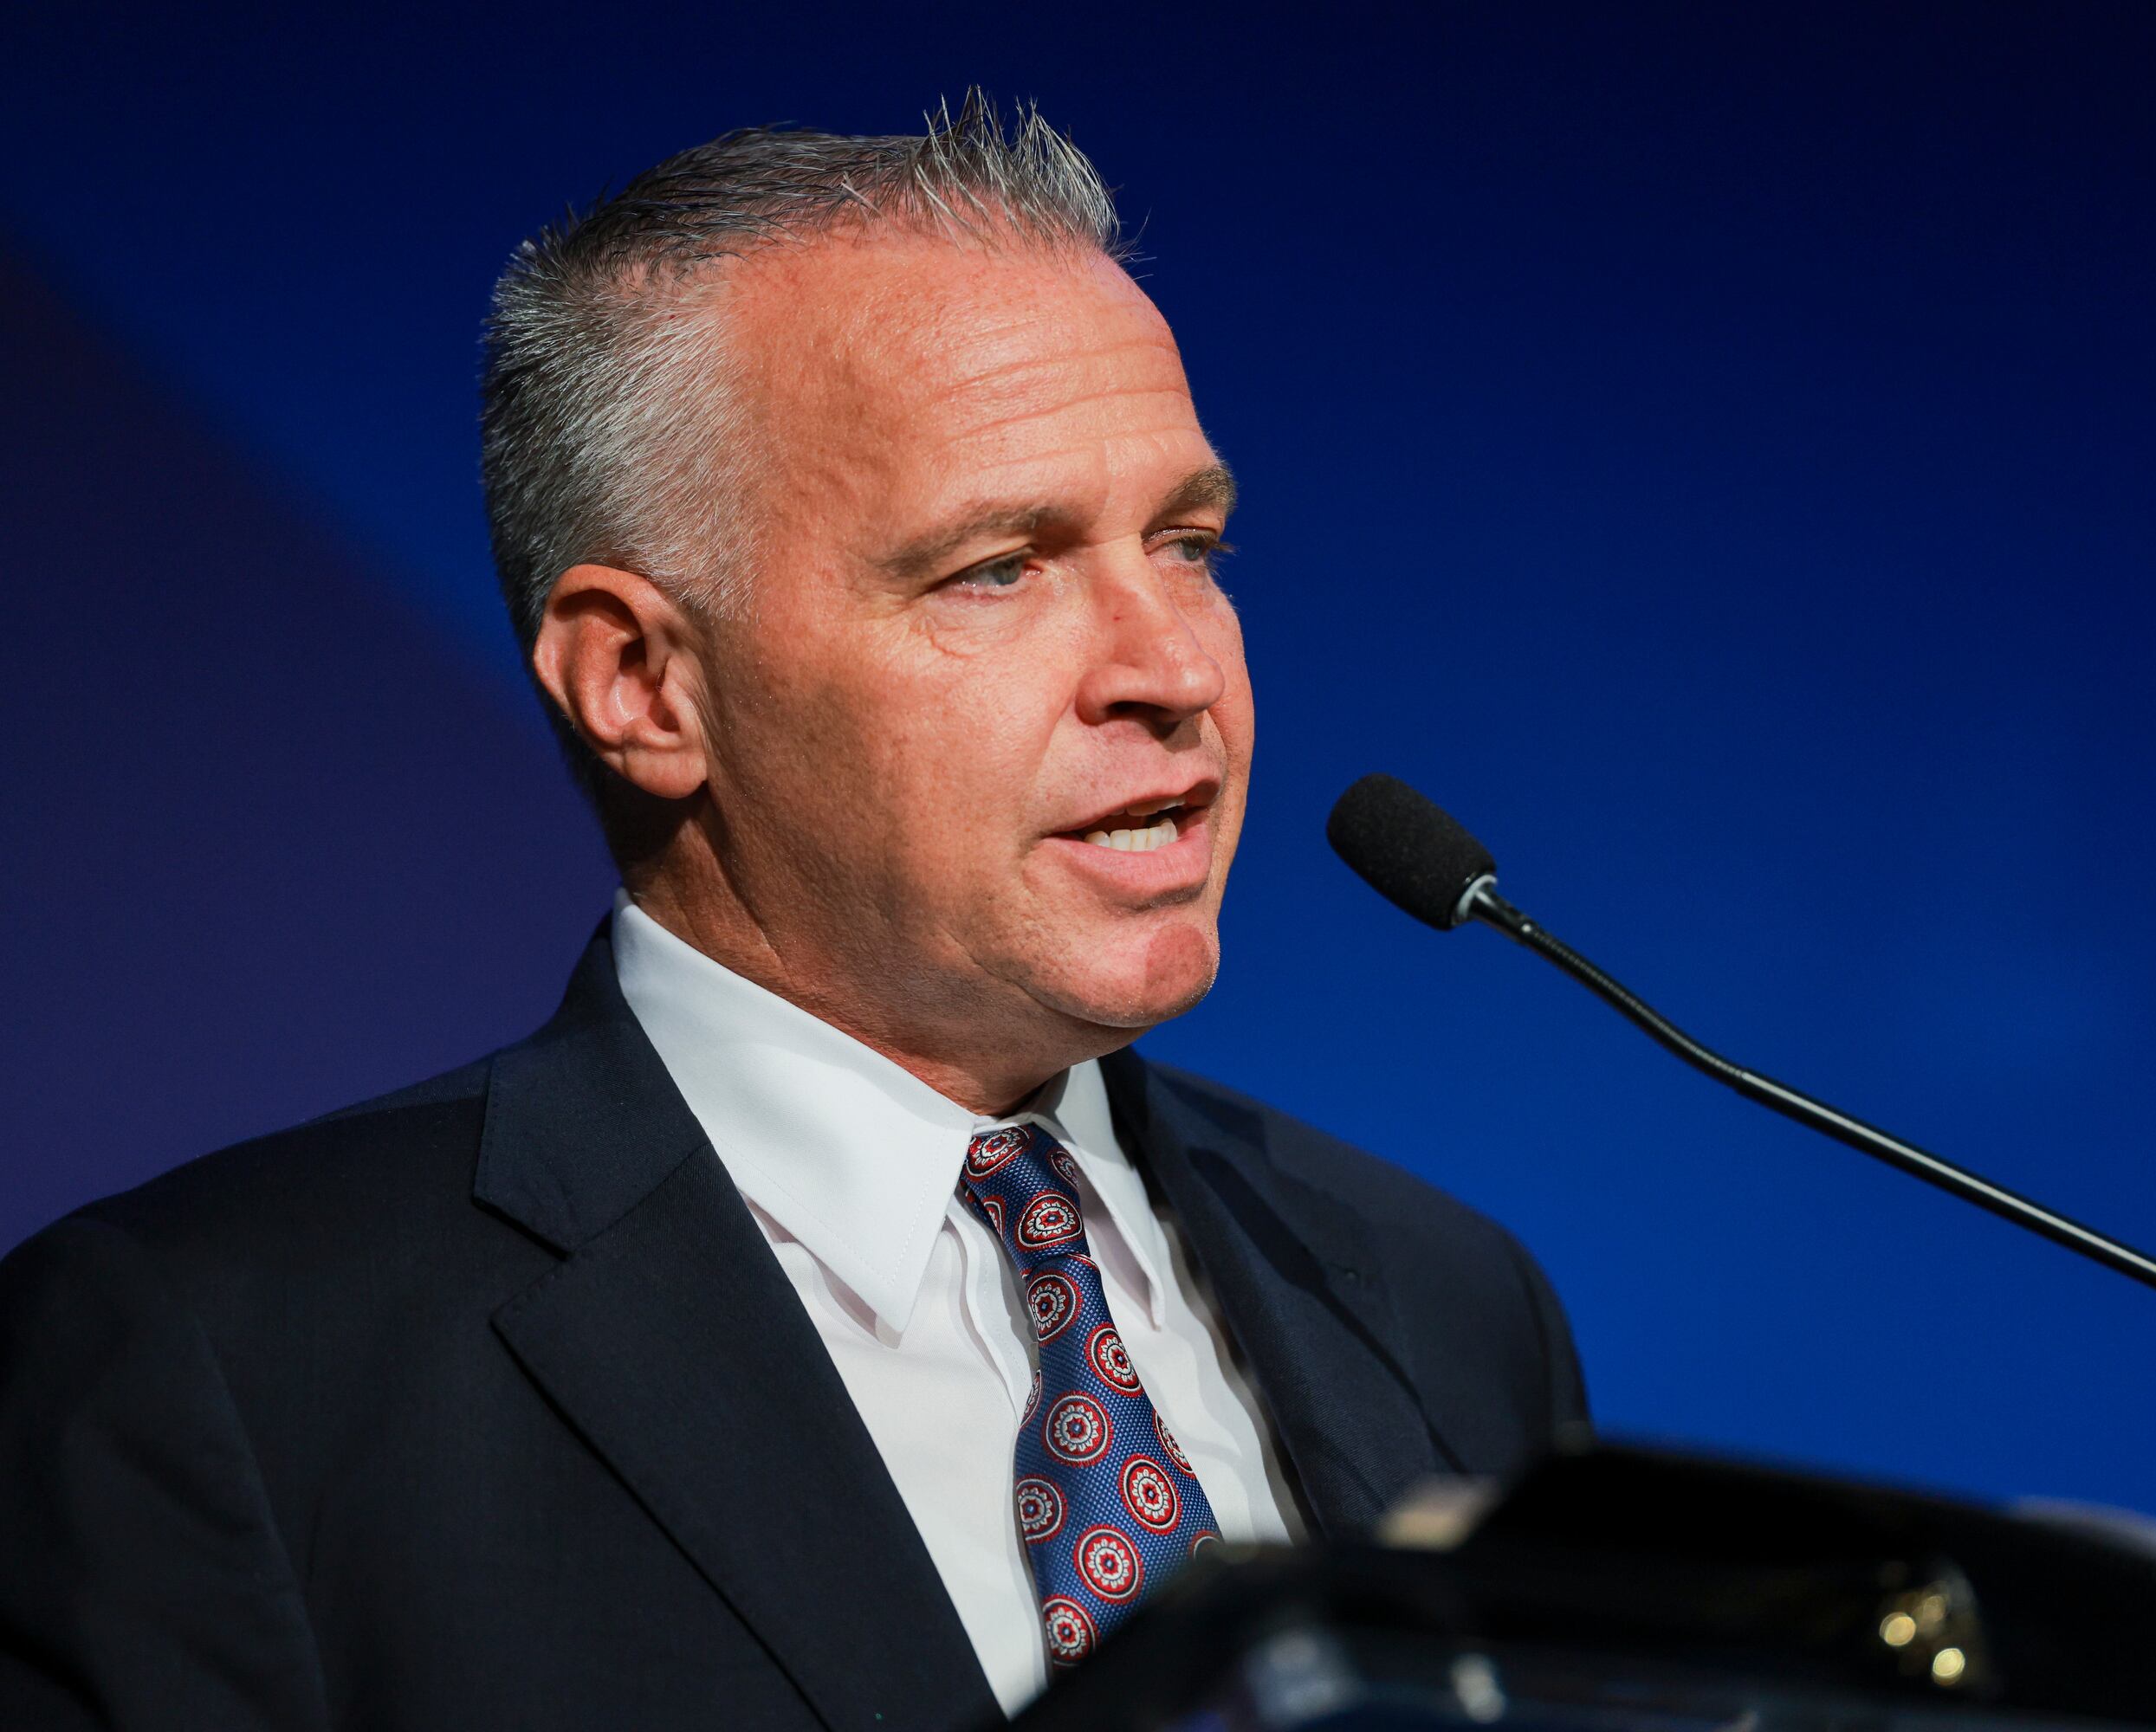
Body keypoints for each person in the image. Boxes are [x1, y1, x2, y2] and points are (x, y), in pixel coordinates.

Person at [0, 100, 1586, 1730]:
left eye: (1188, 545)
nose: (1176, 671)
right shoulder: (217, 1368)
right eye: (998, 567)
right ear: (643, 683)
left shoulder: (1450, 1304)